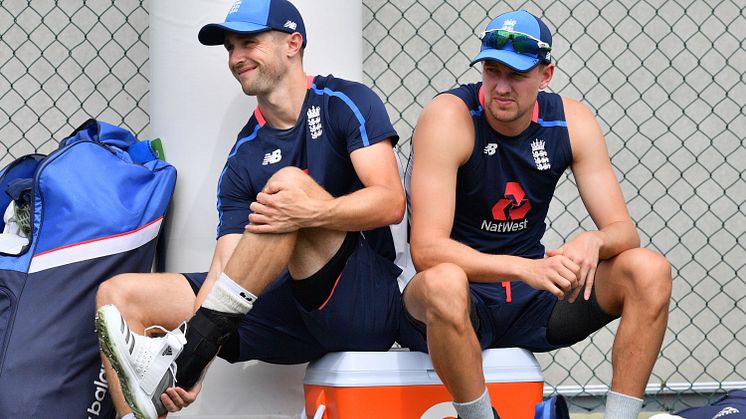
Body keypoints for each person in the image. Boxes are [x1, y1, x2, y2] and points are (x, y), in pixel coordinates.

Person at [94, 0, 412, 417]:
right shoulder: (244, 154)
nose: (235, 57)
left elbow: (391, 202)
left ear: (292, 43)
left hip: (360, 305)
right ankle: (176, 371)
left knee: (287, 187)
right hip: (282, 311)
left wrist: (308, 211)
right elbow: (225, 262)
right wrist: (199, 368)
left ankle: (187, 354)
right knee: (118, 296)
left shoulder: (345, 101)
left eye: (249, 42)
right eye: (229, 47)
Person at [397, 9, 672, 419]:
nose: (501, 87)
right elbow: (427, 251)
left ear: (546, 75)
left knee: (650, 270)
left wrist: (592, 240)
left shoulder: (571, 120)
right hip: (459, 297)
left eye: (517, 74)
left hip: (531, 301)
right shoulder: (449, 117)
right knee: (443, 283)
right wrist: (525, 269)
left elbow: (623, 232)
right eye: (492, 71)